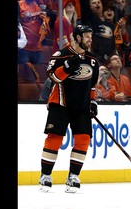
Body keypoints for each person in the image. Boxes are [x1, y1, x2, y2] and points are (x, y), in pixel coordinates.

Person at [39, 24, 100, 193]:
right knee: (55, 138)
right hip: (60, 104)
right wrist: (66, 67)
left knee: (83, 139)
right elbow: (53, 77)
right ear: (78, 37)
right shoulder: (60, 55)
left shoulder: (92, 60)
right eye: (87, 36)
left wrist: (93, 102)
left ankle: (73, 176)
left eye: (91, 36)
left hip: (81, 106)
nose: (90, 39)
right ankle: (45, 175)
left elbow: (92, 85)